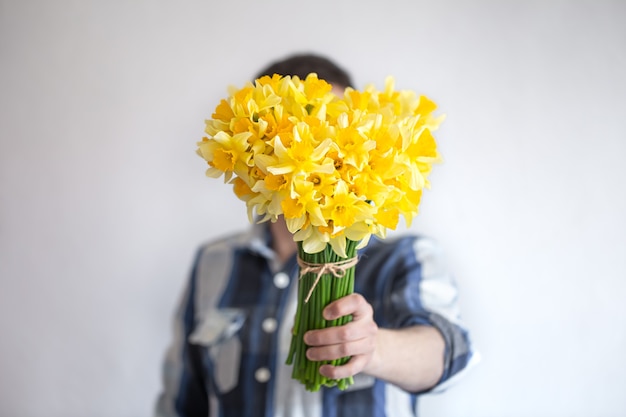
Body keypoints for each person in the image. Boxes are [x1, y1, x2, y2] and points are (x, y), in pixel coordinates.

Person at [155, 53, 478, 417]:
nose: (319, 150)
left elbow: (449, 353)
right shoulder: (215, 261)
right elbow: (182, 400)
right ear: (255, 151)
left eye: (333, 133)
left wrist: (374, 350)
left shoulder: (404, 258)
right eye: (296, 132)